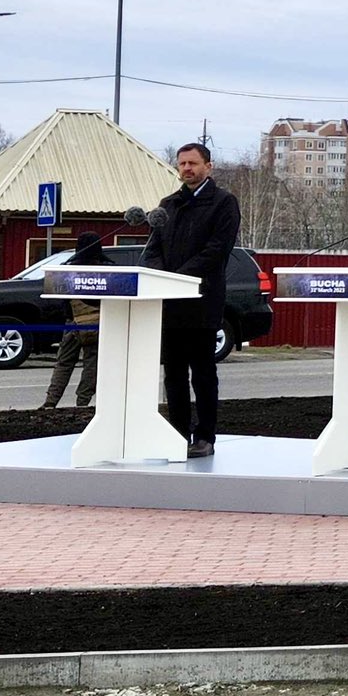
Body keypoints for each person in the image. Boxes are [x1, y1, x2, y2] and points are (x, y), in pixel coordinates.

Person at [143, 142, 240, 459]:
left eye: (193, 163)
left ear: (208, 167)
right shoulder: (168, 205)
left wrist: (180, 278)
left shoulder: (223, 203)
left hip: (202, 302)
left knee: (202, 373)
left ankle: (205, 437)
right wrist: (163, 278)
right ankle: (177, 435)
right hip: (170, 303)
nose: (187, 168)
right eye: (182, 163)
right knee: (173, 374)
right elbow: (153, 249)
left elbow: (217, 250)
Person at [40, 232, 107, 411]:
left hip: (72, 323)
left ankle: (51, 401)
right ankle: (82, 403)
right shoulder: (107, 270)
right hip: (98, 324)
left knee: (63, 363)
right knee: (92, 364)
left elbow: (58, 297)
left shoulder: (67, 271)